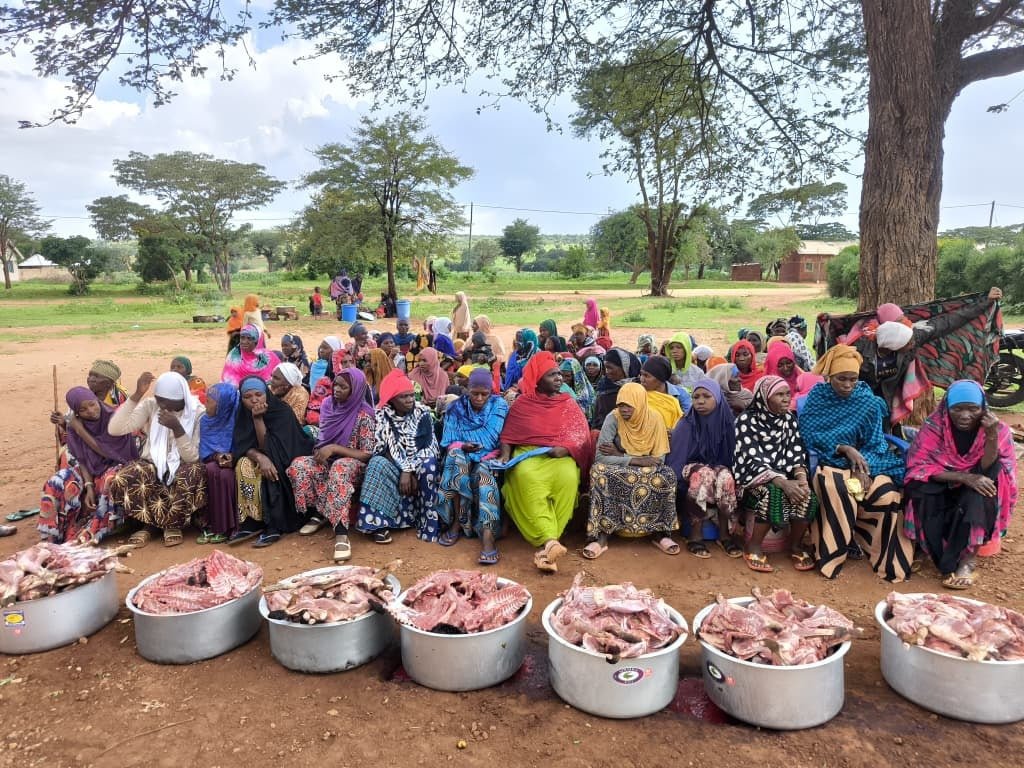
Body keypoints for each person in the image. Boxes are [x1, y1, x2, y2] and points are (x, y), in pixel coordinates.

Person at [798, 344, 913, 582]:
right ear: (829, 377)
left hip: (868, 461)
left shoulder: (867, 402)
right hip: (830, 459)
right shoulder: (818, 399)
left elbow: (876, 442)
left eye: (853, 379)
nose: (847, 385)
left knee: (887, 494)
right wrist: (843, 448)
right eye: (841, 379)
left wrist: (862, 467)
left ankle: (882, 555)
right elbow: (809, 435)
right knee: (834, 487)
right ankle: (833, 553)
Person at [903, 380, 1018, 589]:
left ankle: (968, 560)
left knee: (986, 488)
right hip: (946, 481)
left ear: (983, 408)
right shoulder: (934, 427)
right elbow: (918, 466)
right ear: (947, 408)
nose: (965, 415)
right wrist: (964, 477)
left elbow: (991, 469)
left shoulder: (998, 430)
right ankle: (925, 548)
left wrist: (991, 436)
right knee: (920, 488)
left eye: (973, 409)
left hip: (976, 485)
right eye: (957, 409)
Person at [498, 352, 592, 573]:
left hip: (560, 455)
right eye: (552, 375)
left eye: (559, 374)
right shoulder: (523, 403)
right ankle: (550, 541)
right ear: (538, 380)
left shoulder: (568, 403)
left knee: (568, 477)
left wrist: (566, 449)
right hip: (528, 454)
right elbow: (509, 435)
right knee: (525, 476)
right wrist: (505, 455)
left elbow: (581, 436)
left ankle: (548, 544)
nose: (559, 378)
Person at [107, 371, 206, 548]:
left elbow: (192, 457)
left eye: (167, 402)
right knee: (126, 476)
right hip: (152, 464)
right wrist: (137, 395)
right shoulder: (151, 405)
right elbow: (116, 429)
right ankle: (150, 525)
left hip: (183, 465)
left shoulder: (198, 412)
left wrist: (177, 429)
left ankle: (172, 525)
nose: (162, 405)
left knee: (194, 472)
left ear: (182, 398)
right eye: (159, 400)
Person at [288, 369, 376, 562]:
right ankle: (321, 512)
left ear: (356, 390)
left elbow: (367, 454)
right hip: (330, 460)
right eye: (336, 384)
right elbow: (323, 437)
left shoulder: (364, 414)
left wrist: (335, 448)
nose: (337, 389)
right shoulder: (328, 405)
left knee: (339, 468)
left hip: (354, 464)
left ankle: (341, 534)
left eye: (343, 387)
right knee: (300, 465)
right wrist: (321, 450)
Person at [585, 382, 678, 559]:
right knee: (599, 472)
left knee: (666, 475)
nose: (624, 410)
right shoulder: (613, 418)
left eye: (629, 405)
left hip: (642, 467)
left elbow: (658, 460)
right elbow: (600, 457)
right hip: (624, 466)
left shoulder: (655, 419)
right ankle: (601, 535)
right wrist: (635, 459)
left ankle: (660, 533)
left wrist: (620, 454)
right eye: (620, 405)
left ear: (640, 403)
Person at [735, 376, 816, 573]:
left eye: (788, 393)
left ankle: (795, 545)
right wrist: (782, 482)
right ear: (765, 397)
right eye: (779, 394)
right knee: (772, 494)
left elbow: (797, 453)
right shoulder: (746, 420)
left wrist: (801, 479)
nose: (786, 399)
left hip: (784, 476)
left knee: (808, 496)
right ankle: (753, 546)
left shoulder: (789, 420)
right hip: (752, 479)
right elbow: (750, 459)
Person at [38, 387, 138, 544]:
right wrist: (89, 486)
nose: (90, 411)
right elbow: (82, 459)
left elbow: (106, 452)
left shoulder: (114, 419)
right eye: (83, 410)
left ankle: (94, 530)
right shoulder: (74, 425)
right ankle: (52, 537)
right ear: (77, 413)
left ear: (97, 400)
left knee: (111, 479)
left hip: (119, 465)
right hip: (91, 471)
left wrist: (80, 430)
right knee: (56, 481)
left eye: (92, 404)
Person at [357, 369, 441, 544]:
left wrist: (409, 470)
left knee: (429, 464)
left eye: (411, 395)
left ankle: (428, 524)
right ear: (392, 399)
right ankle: (377, 524)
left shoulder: (422, 413)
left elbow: (429, 447)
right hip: (396, 465)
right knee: (377, 463)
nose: (410, 400)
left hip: (420, 465)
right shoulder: (381, 415)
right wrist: (404, 469)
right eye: (404, 397)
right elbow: (381, 447)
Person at [230, 377, 314, 548]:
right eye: (247, 397)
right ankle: (252, 521)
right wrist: (260, 457)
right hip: (264, 457)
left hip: (286, 459)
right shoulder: (242, 415)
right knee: (243, 464)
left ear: (266, 394)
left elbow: (277, 449)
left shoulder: (282, 412)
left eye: (258, 394)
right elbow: (243, 446)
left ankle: (274, 523)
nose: (254, 400)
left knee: (272, 468)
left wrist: (258, 420)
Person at [438, 368, 510, 564]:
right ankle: (457, 522)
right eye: (474, 393)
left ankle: (488, 536)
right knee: (456, 457)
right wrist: (463, 446)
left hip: (489, 457)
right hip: (462, 454)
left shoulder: (499, 406)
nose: (479, 398)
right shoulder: (455, 408)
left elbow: (505, 437)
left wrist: (498, 455)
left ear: (491, 392)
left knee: (485, 475)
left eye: (484, 394)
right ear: (467, 390)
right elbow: (448, 441)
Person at [666, 378, 740, 560]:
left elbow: (732, 457)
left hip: (718, 467)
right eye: (696, 397)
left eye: (707, 396)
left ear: (717, 398)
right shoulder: (686, 423)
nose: (700, 401)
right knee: (703, 475)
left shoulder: (727, 422)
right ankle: (695, 534)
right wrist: (678, 487)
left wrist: (722, 474)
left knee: (725, 476)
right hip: (690, 470)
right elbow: (677, 460)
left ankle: (724, 535)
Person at [197, 383, 239, 544]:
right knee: (211, 469)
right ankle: (216, 525)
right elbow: (206, 451)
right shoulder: (206, 421)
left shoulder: (239, 419)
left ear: (223, 406)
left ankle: (232, 526)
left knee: (226, 476)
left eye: (209, 401)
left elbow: (245, 444)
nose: (205, 405)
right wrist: (217, 456)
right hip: (216, 460)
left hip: (238, 459)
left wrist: (233, 457)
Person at [592, 347, 643, 429]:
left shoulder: (640, 389)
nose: (607, 372)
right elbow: (597, 418)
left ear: (624, 368)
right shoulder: (604, 388)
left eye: (610, 368)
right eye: (606, 368)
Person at [639, 356, 690, 429]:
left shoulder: (680, 394)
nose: (642, 379)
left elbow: (689, 420)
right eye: (641, 374)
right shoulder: (638, 393)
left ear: (660, 378)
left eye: (646, 376)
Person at [558, 356, 596, 422]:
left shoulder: (587, 393)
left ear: (576, 376)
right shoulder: (556, 388)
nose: (563, 379)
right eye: (561, 375)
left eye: (567, 376)